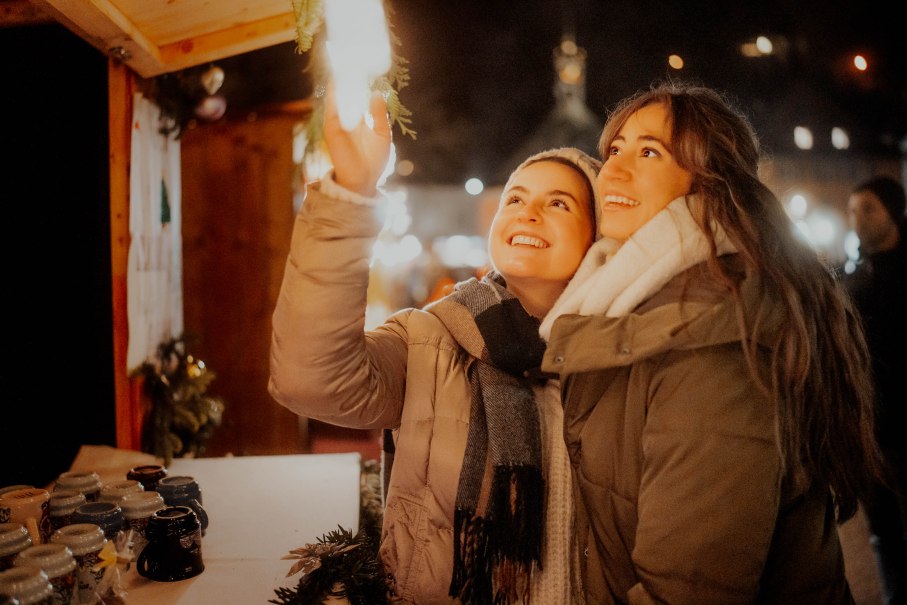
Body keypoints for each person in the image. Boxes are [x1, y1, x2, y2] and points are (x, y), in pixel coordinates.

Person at [538, 82, 885, 604]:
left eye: (649, 152)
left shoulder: (712, 336)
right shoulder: (635, 304)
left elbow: (689, 589)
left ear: (710, 180)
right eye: (614, 149)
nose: (613, 170)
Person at [269, 86, 601, 603]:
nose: (528, 212)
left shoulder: (620, 358)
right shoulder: (429, 339)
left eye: (558, 203)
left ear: (598, 237)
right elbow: (309, 380)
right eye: (515, 198)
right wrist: (352, 195)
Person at [842, 175, 907, 605]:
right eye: (852, 211)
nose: (858, 220)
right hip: (870, 429)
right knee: (883, 531)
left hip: (902, 424)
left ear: (893, 213)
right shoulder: (855, 276)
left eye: (868, 209)